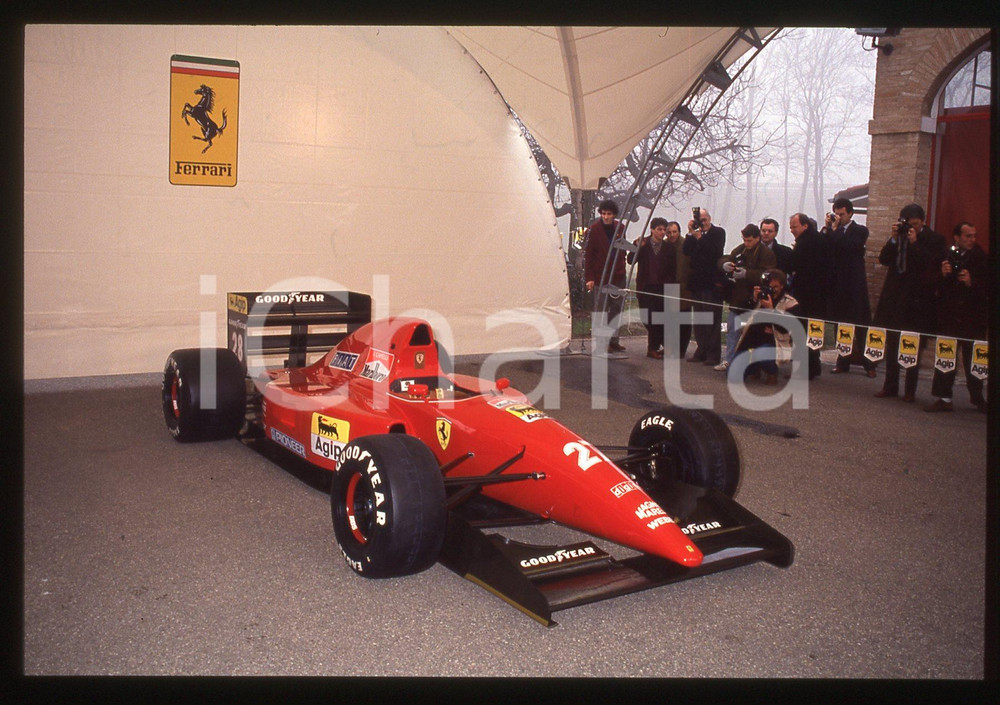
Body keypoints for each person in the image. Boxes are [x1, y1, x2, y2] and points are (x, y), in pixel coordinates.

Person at [873, 203, 947, 402]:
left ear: (923, 221)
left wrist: (915, 243)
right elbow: (884, 259)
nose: (910, 228)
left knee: (913, 345)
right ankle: (890, 385)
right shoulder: (899, 237)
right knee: (892, 343)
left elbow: (930, 265)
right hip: (895, 297)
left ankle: (910, 390)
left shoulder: (935, 240)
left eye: (914, 224)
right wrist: (894, 239)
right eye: (907, 224)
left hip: (917, 300)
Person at [924, 222, 989, 413]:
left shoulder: (980, 257)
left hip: (973, 318)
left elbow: (988, 286)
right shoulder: (944, 255)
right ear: (956, 238)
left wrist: (972, 282)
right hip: (949, 316)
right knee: (946, 356)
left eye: (974, 236)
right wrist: (941, 274)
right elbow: (928, 281)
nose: (972, 240)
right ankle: (944, 398)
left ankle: (978, 398)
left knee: (974, 360)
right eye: (968, 236)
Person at [821, 198, 875, 377]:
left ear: (850, 213)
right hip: (837, 285)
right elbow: (825, 247)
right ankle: (843, 361)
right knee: (841, 326)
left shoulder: (859, 231)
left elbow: (850, 245)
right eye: (837, 214)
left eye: (842, 214)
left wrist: (835, 231)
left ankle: (869, 364)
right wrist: (828, 229)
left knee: (861, 325)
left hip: (854, 285)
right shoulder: (831, 231)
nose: (839, 218)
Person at [714, 223, 776, 371]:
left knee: (752, 335)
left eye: (749, 241)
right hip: (737, 299)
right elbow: (725, 257)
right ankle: (728, 360)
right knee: (732, 331)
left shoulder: (766, 254)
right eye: (744, 240)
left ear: (757, 238)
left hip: (756, 301)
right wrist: (725, 265)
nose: (746, 243)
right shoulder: (740, 249)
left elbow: (768, 274)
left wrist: (746, 273)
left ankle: (751, 365)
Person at [731, 269, 800, 386]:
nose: (772, 289)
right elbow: (740, 313)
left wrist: (771, 310)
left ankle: (772, 372)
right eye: (769, 286)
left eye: (775, 286)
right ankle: (755, 368)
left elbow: (787, 328)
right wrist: (753, 299)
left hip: (775, 344)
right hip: (753, 341)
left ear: (782, 286)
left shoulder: (790, 303)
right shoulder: (761, 296)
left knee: (761, 352)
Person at [682, 207, 727, 365]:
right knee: (700, 319)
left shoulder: (718, 233)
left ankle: (713, 354)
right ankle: (701, 350)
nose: (703, 224)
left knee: (712, 319)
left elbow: (714, 252)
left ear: (709, 218)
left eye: (705, 220)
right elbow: (686, 251)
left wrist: (700, 237)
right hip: (697, 282)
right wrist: (690, 233)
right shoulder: (694, 234)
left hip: (712, 283)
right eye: (699, 221)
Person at [788, 213, 830, 380]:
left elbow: (795, 263)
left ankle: (805, 369)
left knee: (803, 331)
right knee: (813, 331)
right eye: (790, 227)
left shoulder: (806, 242)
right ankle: (813, 367)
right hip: (817, 294)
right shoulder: (817, 239)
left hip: (808, 294)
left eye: (794, 227)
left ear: (805, 226)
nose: (792, 230)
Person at [629, 217, 677, 359]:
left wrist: (669, 285)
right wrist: (637, 247)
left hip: (661, 287)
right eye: (659, 229)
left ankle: (653, 348)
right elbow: (630, 260)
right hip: (645, 286)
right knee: (646, 317)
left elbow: (672, 269)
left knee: (658, 317)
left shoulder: (669, 248)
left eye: (664, 230)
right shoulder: (643, 244)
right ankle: (660, 342)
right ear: (652, 229)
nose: (662, 233)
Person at [585, 199, 628, 353]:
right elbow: (588, 255)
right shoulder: (594, 230)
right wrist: (589, 277)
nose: (606, 217)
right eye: (603, 214)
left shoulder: (620, 228)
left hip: (618, 275)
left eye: (609, 214)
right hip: (600, 276)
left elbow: (622, 248)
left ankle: (614, 340)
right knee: (601, 310)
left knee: (617, 309)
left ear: (614, 214)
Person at [665, 220, 693, 358]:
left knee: (684, 319)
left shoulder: (685, 244)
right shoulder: (664, 244)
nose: (671, 235)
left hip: (684, 286)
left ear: (679, 232)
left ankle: (682, 349)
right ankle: (671, 347)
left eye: (674, 232)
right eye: (669, 232)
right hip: (669, 286)